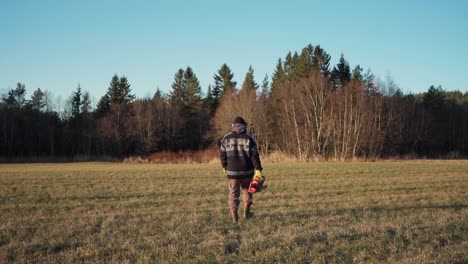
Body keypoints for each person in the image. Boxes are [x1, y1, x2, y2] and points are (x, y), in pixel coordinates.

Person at [220, 116, 263, 223]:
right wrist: (258, 169)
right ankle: (246, 212)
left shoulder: (226, 138)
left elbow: (222, 154)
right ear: (244, 126)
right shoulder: (249, 138)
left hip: (232, 172)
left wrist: (224, 167)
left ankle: (234, 216)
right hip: (247, 171)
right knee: (247, 191)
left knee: (233, 194)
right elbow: (255, 155)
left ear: (233, 126)